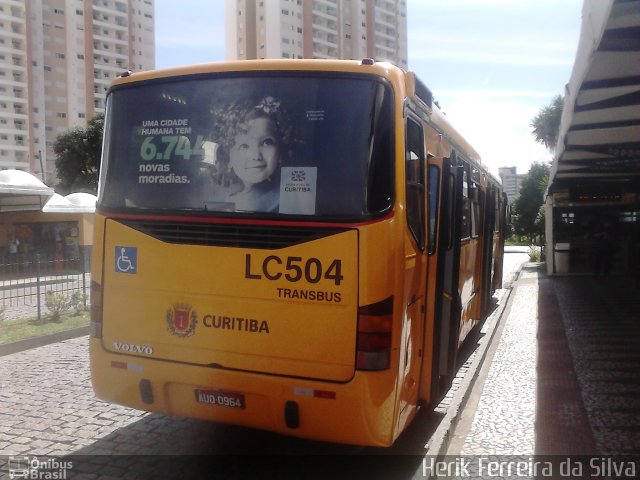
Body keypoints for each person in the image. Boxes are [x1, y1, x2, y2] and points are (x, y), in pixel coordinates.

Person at [210, 96, 293, 212]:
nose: (256, 156)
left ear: (280, 150)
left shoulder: (290, 197)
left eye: (266, 142)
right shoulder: (230, 201)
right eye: (244, 146)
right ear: (228, 158)